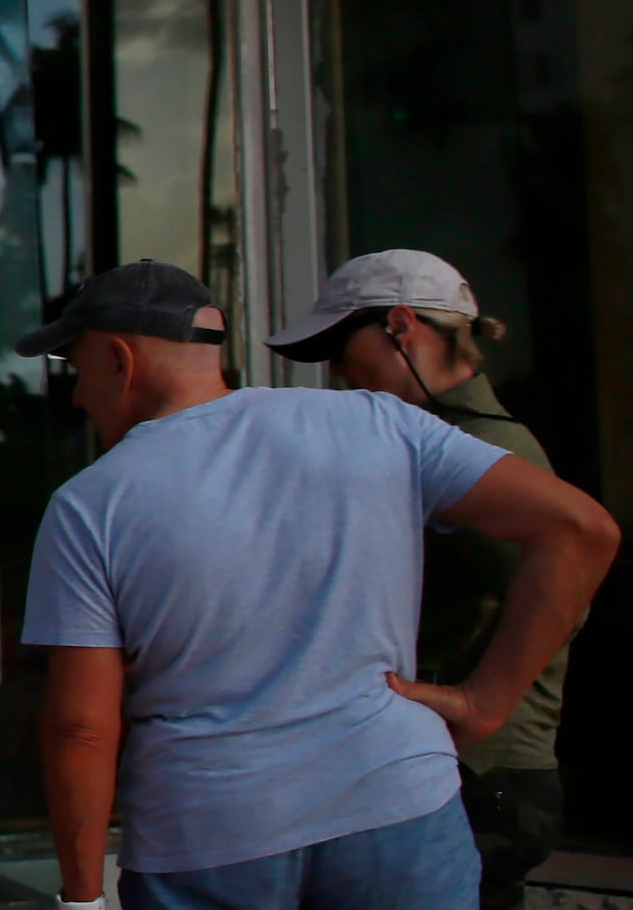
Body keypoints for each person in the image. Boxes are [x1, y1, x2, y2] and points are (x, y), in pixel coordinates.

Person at [14, 258, 618, 910]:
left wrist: (81, 897)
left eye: (75, 370)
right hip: (398, 806)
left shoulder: (88, 504)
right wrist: (486, 701)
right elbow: (581, 530)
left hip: (211, 836)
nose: (76, 397)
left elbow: (81, 727)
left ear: (117, 358)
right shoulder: (382, 424)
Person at [266, 248, 577, 908]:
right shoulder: (428, 438)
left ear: (401, 326)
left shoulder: (482, 450)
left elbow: (571, 573)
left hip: (484, 777)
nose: (339, 370)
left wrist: (481, 700)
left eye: (343, 344)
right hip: (465, 771)